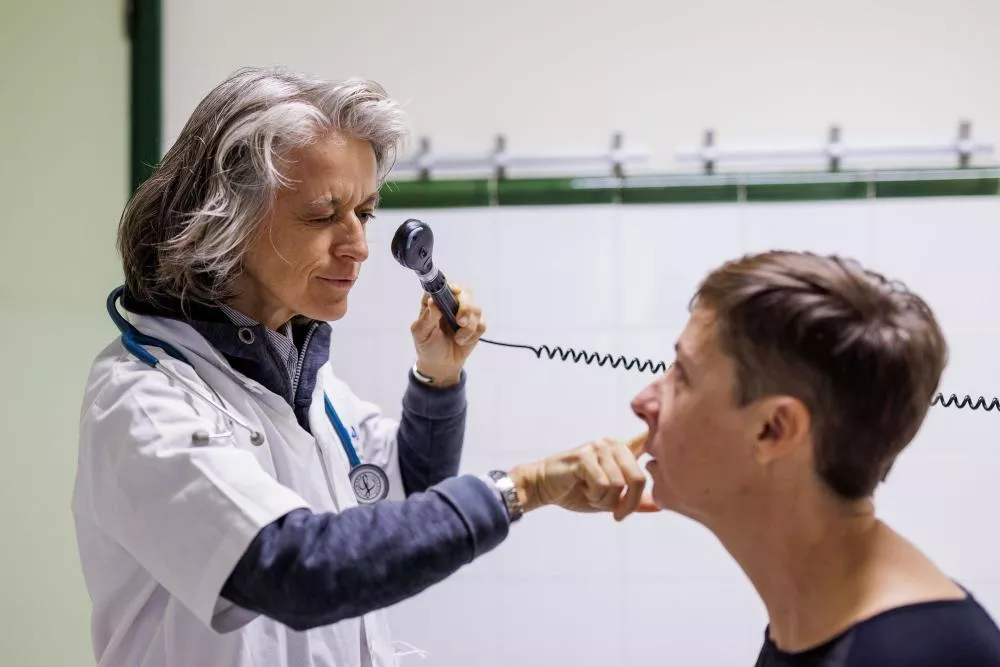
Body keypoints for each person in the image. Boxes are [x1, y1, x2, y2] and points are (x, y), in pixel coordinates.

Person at [72, 66, 656, 667]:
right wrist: (524, 487)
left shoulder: (305, 382)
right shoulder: (144, 400)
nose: (358, 245)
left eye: (365, 213)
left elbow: (408, 497)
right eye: (324, 216)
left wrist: (438, 378)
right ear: (228, 220)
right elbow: (295, 570)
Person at [630, 250, 1000, 666]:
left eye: (681, 374)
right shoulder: (810, 621)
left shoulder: (915, 654)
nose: (642, 401)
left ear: (774, 430)